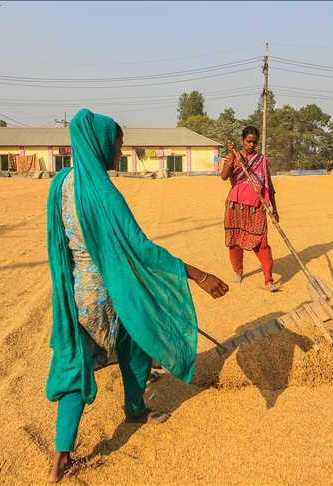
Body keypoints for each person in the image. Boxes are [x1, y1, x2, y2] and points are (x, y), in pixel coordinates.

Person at [45, 108, 229, 483]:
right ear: (101, 144)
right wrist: (198, 274)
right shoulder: (103, 191)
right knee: (136, 342)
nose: (120, 152)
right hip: (111, 293)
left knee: (76, 364)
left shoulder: (61, 182)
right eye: (118, 145)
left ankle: (60, 456)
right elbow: (142, 249)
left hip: (77, 296)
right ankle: (134, 409)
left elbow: (58, 243)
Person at [221, 126, 279, 292]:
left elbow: (269, 185)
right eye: (248, 141)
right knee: (235, 240)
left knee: (262, 243)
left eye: (255, 142)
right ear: (242, 140)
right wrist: (233, 155)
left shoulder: (262, 161)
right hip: (236, 206)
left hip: (257, 207)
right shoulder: (233, 156)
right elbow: (224, 176)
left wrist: (275, 209)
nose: (251, 145)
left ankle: (268, 280)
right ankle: (238, 272)